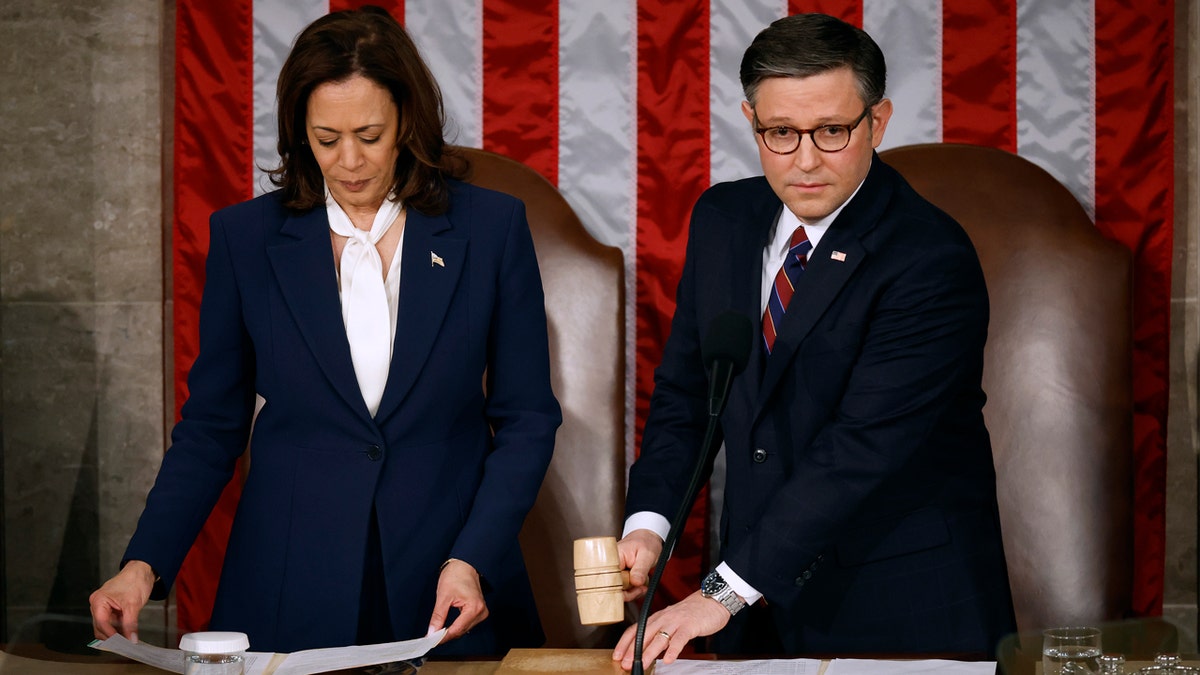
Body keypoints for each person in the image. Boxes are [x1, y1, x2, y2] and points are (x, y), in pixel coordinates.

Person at [89, 6, 561, 656]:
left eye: (369, 134)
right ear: (298, 132)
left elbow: (527, 418)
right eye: (326, 137)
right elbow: (211, 427)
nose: (349, 161)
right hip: (288, 581)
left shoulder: (492, 227)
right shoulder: (245, 238)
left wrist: (472, 556)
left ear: (407, 120)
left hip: (449, 580)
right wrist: (144, 562)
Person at [613, 13, 1016, 671]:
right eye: (780, 132)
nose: (804, 159)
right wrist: (648, 527)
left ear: (877, 121)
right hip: (757, 615)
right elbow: (689, 398)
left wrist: (720, 590)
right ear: (751, 121)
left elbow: (859, 451)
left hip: (901, 613)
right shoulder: (722, 221)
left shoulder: (929, 257)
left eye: (831, 130)